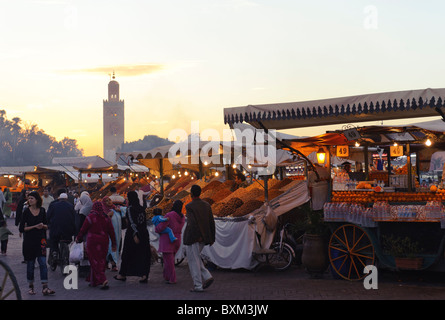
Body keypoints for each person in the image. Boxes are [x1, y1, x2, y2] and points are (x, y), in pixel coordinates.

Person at [19, 191, 55, 296]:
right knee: (30, 264)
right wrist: (34, 226)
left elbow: (47, 225)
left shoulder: (42, 211)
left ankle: (45, 287)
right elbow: (22, 228)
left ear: (37, 200)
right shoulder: (26, 212)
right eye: (29, 198)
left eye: (32, 198)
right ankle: (31, 287)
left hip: (41, 240)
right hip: (29, 241)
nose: (29, 200)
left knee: (43, 263)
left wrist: (42, 226)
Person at [76, 201, 117, 289]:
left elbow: (83, 229)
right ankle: (93, 281)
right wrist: (114, 243)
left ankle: (103, 279)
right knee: (101, 260)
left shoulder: (90, 217)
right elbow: (112, 232)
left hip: (93, 242)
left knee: (94, 261)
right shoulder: (106, 218)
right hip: (104, 242)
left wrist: (78, 238)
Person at [183, 185, 216, 292]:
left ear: (191, 194)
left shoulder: (189, 206)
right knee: (196, 259)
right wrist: (211, 238)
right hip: (204, 238)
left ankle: (198, 286)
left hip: (194, 238)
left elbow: (192, 224)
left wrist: (197, 237)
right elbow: (212, 222)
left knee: (193, 262)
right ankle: (207, 276)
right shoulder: (207, 205)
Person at [114, 190, 151, 283]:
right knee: (143, 254)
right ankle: (144, 275)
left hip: (133, 235)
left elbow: (131, 222)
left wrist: (135, 234)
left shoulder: (130, 209)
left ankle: (122, 274)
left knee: (127, 254)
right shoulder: (142, 208)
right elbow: (144, 222)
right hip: (144, 233)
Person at [155, 200, 185, 284]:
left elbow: (161, 226)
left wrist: (156, 228)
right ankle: (166, 276)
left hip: (168, 240)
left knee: (168, 261)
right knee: (170, 260)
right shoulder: (182, 217)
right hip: (177, 239)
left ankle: (172, 278)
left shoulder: (169, 215)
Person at [46, 192, 76, 263]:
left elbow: (48, 216)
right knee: (66, 240)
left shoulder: (53, 205)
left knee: (54, 240)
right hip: (67, 230)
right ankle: (64, 252)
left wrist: (48, 224)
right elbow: (74, 218)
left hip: (55, 228)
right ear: (66, 199)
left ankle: (54, 252)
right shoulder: (70, 206)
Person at [102, 196, 126, 271]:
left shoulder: (116, 209)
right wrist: (108, 216)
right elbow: (101, 222)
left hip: (117, 234)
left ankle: (107, 263)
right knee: (110, 248)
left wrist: (119, 210)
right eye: (106, 201)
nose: (109, 201)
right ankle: (113, 264)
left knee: (115, 248)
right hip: (109, 235)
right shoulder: (104, 211)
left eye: (109, 200)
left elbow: (125, 212)